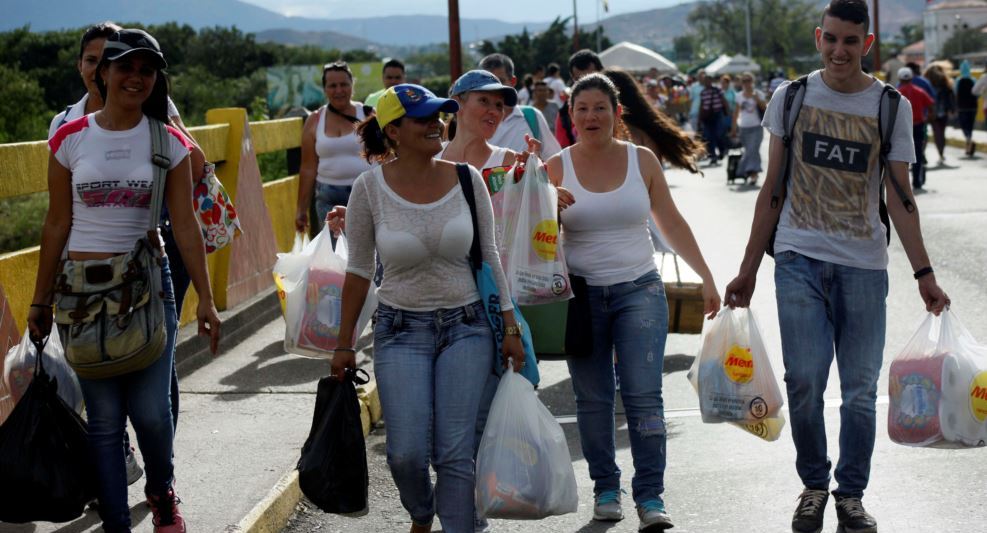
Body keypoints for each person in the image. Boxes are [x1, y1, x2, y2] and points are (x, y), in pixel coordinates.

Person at [724, 3, 949, 533]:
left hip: (864, 268)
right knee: (803, 380)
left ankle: (850, 494)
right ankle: (813, 484)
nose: (839, 51)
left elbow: (900, 197)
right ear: (817, 36)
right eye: (831, 40)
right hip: (799, 258)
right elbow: (772, 189)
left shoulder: (890, 106)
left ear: (866, 44)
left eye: (851, 41)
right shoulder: (792, 97)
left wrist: (924, 274)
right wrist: (748, 269)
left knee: (859, 392)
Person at [30, 28, 222, 533]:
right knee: (105, 422)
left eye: (147, 70)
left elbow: (184, 224)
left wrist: (204, 297)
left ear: (155, 79)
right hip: (81, 295)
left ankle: (161, 490)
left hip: (145, 286)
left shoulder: (168, 141)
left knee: (153, 414)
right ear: (103, 73)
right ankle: (117, 522)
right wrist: (40, 301)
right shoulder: (68, 139)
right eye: (125, 68)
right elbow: (55, 223)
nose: (135, 78)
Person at [330, 84, 524, 533]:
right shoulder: (369, 188)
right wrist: (344, 345)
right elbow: (358, 271)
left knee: (455, 453)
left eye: (439, 115)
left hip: (468, 325)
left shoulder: (465, 178)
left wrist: (510, 325)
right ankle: (421, 512)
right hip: (400, 330)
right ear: (393, 130)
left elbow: (491, 254)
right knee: (406, 454)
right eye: (423, 118)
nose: (436, 124)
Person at [545, 73, 720, 532]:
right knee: (593, 398)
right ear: (570, 115)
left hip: (639, 290)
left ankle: (650, 497)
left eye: (600, 107)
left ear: (616, 113)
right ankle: (606, 487)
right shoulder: (555, 168)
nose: (590, 116)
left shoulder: (641, 160)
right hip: (580, 298)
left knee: (644, 396)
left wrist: (706, 277)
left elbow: (672, 222)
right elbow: (535, 242)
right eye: (581, 108)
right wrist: (548, 209)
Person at [295, 61, 372, 236]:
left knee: (364, 249)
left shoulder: (368, 115)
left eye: (344, 84)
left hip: (365, 194)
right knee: (333, 253)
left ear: (352, 85)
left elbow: (386, 157)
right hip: (328, 196)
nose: (339, 90)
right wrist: (301, 209)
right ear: (325, 89)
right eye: (333, 86)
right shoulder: (315, 120)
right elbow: (307, 168)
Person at [480, 53, 562, 159]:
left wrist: (536, 163)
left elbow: (554, 158)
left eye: (500, 81)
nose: (493, 88)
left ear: (513, 81)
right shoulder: (474, 121)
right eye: (486, 82)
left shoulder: (532, 116)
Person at [556, 49, 605, 148]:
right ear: (572, 78)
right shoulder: (565, 114)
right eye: (580, 80)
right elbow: (564, 152)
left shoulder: (620, 105)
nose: (586, 85)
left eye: (591, 78)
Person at [898, 67, 934, 190]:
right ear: (911, 78)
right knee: (918, 153)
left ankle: (903, 183)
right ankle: (917, 181)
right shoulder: (920, 91)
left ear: (900, 79)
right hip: (919, 125)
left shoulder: (896, 93)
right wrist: (927, 118)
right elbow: (931, 106)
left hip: (902, 127)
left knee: (901, 155)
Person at [731, 72, 767, 184]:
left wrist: (756, 98)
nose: (747, 83)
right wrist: (733, 129)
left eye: (749, 80)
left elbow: (765, 109)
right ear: (741, 83)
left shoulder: (759, 94)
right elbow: (736, 113)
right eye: (744, 81)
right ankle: (749, 171)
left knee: (753, 149)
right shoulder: (739, 96)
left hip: (757, 127)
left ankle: (753, 174)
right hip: (744, 127)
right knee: (749, 150)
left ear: (753, 82)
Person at [925, 64, 955, 166]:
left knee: (937, 133)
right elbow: (951, 97)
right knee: (941, 133)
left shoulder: (927, 83)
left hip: (933, 112)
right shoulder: (945, 82)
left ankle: (940, 153)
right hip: (943, 111)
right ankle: (941, 153)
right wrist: (952, 109)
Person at [698, 73, 729, 165]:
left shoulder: (717, 90)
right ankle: (713, 155)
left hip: (717, 114)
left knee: (719, 134)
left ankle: (722, 150)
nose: (707, 82)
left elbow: (724, 101)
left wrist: (727, 114)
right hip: (707, 116)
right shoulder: (703, 92)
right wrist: (699, 119)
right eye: (705, 80)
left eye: (708, 80)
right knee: (708, 136)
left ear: (711, 81)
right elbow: (702, 106)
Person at [954, 60, 979, 158]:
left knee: (964, 126)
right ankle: (969, 142)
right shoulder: (973, 80)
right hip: (972, 107)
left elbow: (956, 93)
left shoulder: (958, 80)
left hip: (962, 107)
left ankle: (968, 141)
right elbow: (976, 93)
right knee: (970, 125)